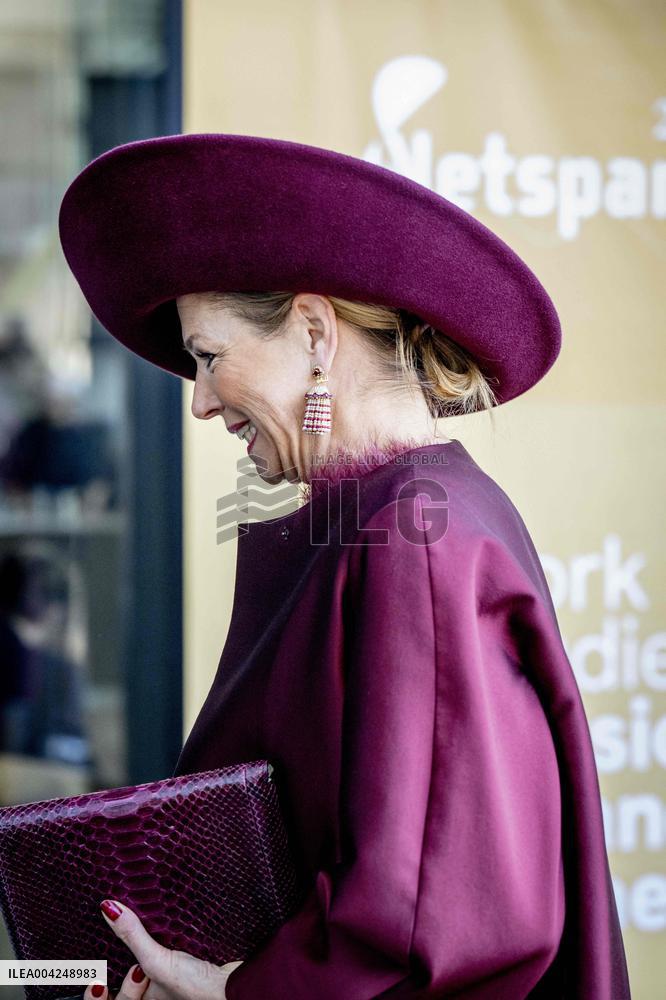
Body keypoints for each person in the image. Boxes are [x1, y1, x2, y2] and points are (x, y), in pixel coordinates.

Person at [58, 133, 631, 999]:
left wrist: (233, 993)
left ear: (316, 333)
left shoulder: (415, 537)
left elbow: (437, 922)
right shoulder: (408, 517)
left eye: (208, 356)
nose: (202, 399)